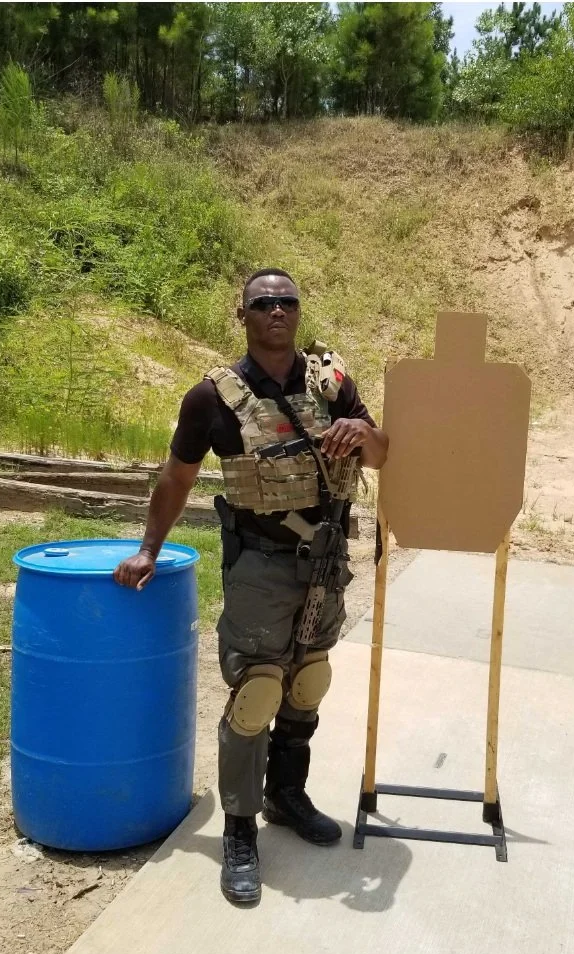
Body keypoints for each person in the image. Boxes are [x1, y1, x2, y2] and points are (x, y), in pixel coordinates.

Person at [114, 268, 389, 905]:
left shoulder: (332, 383)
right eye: (263, 303)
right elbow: (176, 478)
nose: (277, 311)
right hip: (261, 565)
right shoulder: (211, 398)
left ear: (298, 312)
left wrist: (364, 435)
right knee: (258, 691)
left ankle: (287, 796)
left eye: (287, 302)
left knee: (308, 679)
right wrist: (148, 548)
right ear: (242, 314)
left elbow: (382, 454)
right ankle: (240, 829)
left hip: (326, 560)